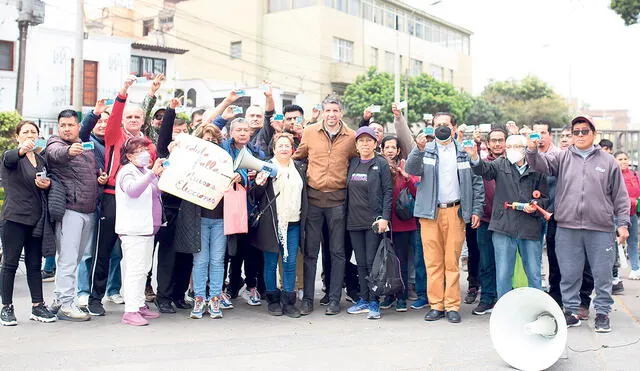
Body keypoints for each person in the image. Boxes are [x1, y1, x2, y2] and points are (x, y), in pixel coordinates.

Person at [526, 114, 630, 333]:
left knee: (602, 274)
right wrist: (532, 150)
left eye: (585, 131)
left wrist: (623, 224)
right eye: (576, 132)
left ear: (594, 134)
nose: (580, 135)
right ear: (572, 136)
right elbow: (539, 164)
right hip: (568, 227)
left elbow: (620, 196)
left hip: (600, 228)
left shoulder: (608, 161)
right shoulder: (563, 158)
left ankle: (602, 313)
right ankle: (571, 311)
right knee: (569, 273)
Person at [405, 112, 484, 324]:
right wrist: (418, 148)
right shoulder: (427, 150)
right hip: (430, 213)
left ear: (454, 128)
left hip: (455, 212)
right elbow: (410, 169)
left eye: (446, 124)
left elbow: (477, 183)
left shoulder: (464, 152)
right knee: (433, 262)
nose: (442, 127)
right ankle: (436, 305)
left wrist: (476, 210)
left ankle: (451, 305)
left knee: (451, 261)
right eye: (437, 124)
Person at [88, 77, 157, 317]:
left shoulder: (149, 145)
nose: (133, 120)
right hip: (112, 197)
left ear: (142, 120)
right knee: (105, 249)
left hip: (139, 203)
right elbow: (116, 115)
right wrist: (123, 92)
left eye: (137, 117)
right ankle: (96, 297)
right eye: (129, 117)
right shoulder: (114, 136)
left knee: (138, 255)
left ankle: (136, 301)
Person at [292, 96, 358, 316]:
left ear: (341, 113)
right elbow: (298, 157)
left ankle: (333, 299)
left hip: (338, 201)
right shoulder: (310, 132)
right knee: (311, 252)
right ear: (322, 111)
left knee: (338, 252)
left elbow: (358, 161)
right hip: (313, 200)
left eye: (336, 110)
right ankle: (309, 299)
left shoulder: (351, 137)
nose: (331, 114)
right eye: (328, 110)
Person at [468, 134, 549, 299]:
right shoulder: (500, 164)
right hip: (503, 225)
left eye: (517, 147)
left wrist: (535, 205)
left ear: (525, 149)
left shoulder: (536, 168)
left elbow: (545, 197)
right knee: (504, 272)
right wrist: (475, 157)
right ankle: (504, 308)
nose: (513, 150)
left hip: (529, 226)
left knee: (533, 271)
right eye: (509, 147)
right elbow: (484, 170)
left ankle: (537, 306)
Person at [47, 110, 105, 322]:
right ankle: (65, 304)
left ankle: (60, 298)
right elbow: (55, 154)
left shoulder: (85, 144)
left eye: (71, 125)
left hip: (88, 211)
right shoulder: (56, 143)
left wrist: (100, 178)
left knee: (75, 259)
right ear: (58, 127)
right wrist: (69, 151)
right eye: (63, 125)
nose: (67, 129)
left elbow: (90, 172)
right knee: (68, 260)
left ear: (78, 126)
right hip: (70, 210)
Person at [0, 121, 57, 326]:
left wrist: (47, 184)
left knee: (34, 265)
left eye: (33, 132)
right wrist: (21, 150)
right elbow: (9, 159)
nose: (29, 135)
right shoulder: (12, 156)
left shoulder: (41, 160)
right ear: (18, 136)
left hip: (37, 219)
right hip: (14, 218)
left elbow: (48, 182)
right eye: (25, 132)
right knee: (10, 264)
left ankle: (37, 306)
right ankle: (6, 307)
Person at [253, 133, 307, 318]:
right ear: (274, 149)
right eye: (280, 145)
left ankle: (289, 301)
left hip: (294, 222)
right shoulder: (267, 167)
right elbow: (256, 195)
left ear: (292, 148)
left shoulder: (299, 168)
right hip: (272, 223)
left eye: (287, 145)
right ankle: (273, 299)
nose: (284, 148)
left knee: (290, 262)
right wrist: (259, 184)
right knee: (270, 263)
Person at [76, 99, 123, 308]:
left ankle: (113, 289)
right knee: (89, 251)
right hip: (93, 201)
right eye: (99, 121)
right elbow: (83, 131)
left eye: (107, 121)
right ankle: (84, 291)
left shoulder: (118, 142)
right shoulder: (87, 141)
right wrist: (94, 113)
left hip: (114, 200)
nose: (103, 124)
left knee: (115, 251)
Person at [115, 137, 164, 326]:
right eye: (139, 151)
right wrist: (152, 174)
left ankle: (139, 304)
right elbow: (132, 191)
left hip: (147, 229)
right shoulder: (127, 172)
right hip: (134, 229)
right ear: (128, 156)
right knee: (135, 270)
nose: (144, 154)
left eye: (146, 149)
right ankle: (131, 311)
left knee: (143, 269)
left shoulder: (143, 171)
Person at [345, 127, 393, 320]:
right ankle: (363, 299)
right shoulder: (353, 162)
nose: (365, 144)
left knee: (373, 262)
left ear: (375, 144)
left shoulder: (380, 163)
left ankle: (375, 301)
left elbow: (388, 191)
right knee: (361, 262)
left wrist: (384, 217)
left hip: (374, 221)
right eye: (361, 141)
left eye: (369, 140)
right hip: (354, 220)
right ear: (356, 145)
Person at [222, 118, 268, 305]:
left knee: (250, 250)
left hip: (250, 209)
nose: (242, 133)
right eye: (238, 130)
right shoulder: (224, 150)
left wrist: (256, 177)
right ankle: (228, 287)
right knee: (229, 251)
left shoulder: (257, 153)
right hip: (229, 208)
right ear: (231, 133)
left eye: (246, 130)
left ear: (250, 133)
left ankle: (250, 286)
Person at [379, 134, 418, 312]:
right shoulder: (377, 166)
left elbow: (416, 192)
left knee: (401, 261)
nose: (390, 150)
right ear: (381, 149)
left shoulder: (406, 166)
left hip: (403, 223)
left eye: (393, 147)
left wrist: (406, 176)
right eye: (387, 147)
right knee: (386, 260)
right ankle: (388, 294)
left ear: (398, 150)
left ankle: (401, 296)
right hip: (384, 223)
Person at [471, 125, 506, 315]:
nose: (498, 143)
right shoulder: (483, 164)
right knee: (486, 262)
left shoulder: (514, 163)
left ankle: (503, 298)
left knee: (505, 263)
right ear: (488, 143)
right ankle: (486, 298)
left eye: (501, 140)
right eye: (494, 140)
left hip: (508, 221)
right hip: (485, 219)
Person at [614, 151, 640, 279]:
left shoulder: (635, 175)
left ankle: (636, 268)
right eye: (620, 159)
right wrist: (630, 200)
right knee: (614, 244)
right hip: (616, 216)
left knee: (633, 242)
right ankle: (615, 271)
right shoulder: (613, 176)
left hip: (632, 214)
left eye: (625, 158)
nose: (623, 161)